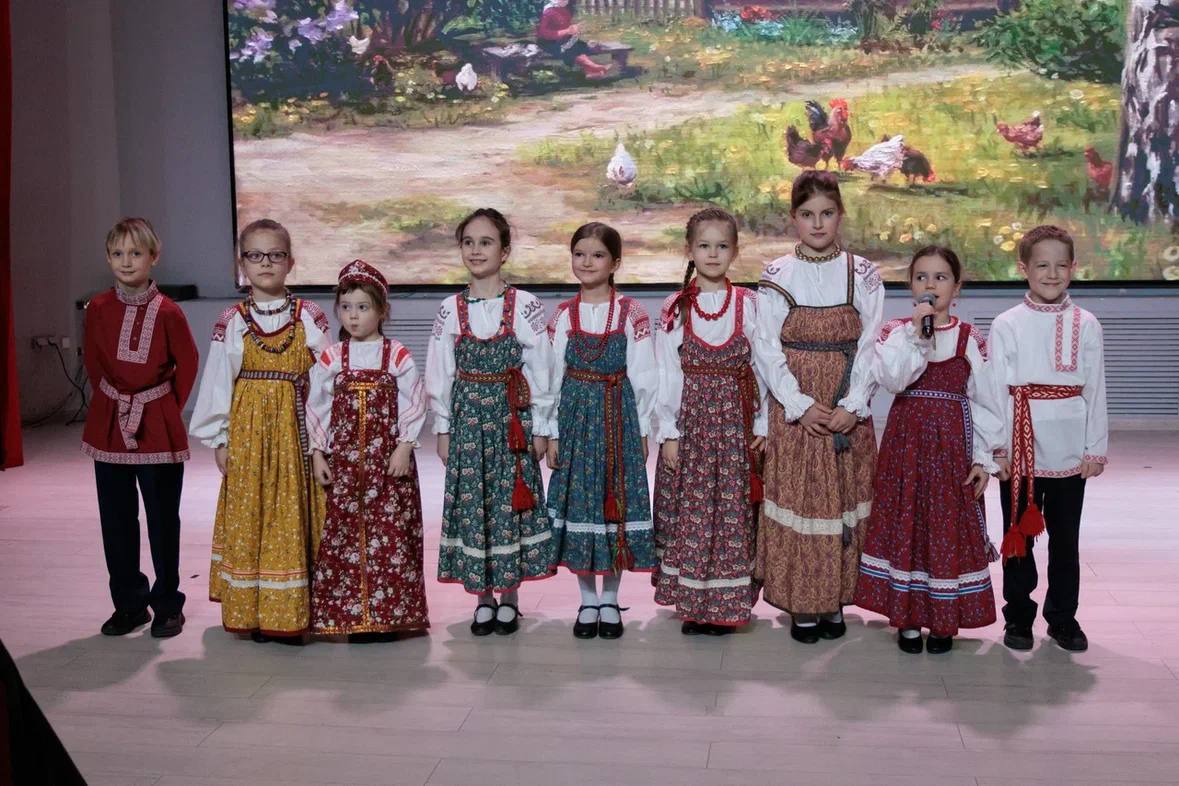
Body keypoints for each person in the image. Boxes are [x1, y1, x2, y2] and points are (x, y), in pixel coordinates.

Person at [753, 170, 884, 644]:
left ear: (840, 215)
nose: (818, 223)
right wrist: (799, 404)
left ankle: (835, 600)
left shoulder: (862, 273)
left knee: (842, 502)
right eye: (807, 215)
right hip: (798, 409)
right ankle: (802, 602)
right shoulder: (777, 276)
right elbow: (766, 349)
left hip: (845, 405)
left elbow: (871, 343)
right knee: (803, 501)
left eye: (827, 213)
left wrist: (854, 404)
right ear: (794, 218)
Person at [854, 246, 1002, 654]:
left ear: (957, 287)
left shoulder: (970, 339)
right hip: (906, 447)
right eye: (922, 277)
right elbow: (894, 380)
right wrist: (917, 337)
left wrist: (983, 459)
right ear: (911, 286)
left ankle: (942, 620)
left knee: (944, 528)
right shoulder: (897, 333)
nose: (931, 285)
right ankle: (907, 618)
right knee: (908, 524)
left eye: (940, 277)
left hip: (952, 448)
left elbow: (987, 402)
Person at [189, 218, 330, 643]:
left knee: (292, 513)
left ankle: (291, 612)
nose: (265, 263)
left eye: (275, 254)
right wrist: (220, 438)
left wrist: (321, 442)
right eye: (255, 255)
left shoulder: (310, 317)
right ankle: (253, 610)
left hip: (295, 433)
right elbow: (218, 382)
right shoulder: (232, 320)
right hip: (249, 436)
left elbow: (326, 382)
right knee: (251, 514)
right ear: (241, 263)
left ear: (291, 262)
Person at [426, 209, 555, 636]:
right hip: (468, 422)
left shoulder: (525, 305)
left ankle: (510, 597)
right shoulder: (449, 309)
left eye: (486, 242)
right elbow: (441, 371)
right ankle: (482, 598)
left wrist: (541, 426)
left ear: (505, 251)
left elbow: (542, 368)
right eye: (468, 242)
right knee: (474, 504)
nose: (476, 250)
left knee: (509, 503)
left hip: (510, 420)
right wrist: (443, 427)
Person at [988, 225, 1108, 653]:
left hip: (1069, 448)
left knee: (1065, 540)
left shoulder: (1087, 324)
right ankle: (1018, 617)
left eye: (1061, 265)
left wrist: (1095, 448)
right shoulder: (1006, 324)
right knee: (1018, 538)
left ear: (1073, 268)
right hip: (1019, 448)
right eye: (1042, 265)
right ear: (1024, 268)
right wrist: (996, 449)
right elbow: (993, 390)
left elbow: (1095, 387)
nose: (1052, 274)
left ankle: (1062, 618)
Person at [82, 217, 199, 638]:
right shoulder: (98, 308)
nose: (126, 261)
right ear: (107, 258)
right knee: (116, 520)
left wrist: (163, 409)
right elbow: (94, 363)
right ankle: (129, 604)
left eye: (135, 253)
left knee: (162, 519)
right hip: (110, 423)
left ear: (154, 257)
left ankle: (167, 603)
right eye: (118, 253)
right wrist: (116, 403)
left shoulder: (169, 311)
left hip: (157, 424)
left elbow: (187, 364)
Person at [653, 207, 767, 636]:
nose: (713, 254)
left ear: (735, 251)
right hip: (693, 423)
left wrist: (763, 423)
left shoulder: (749, 304)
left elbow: (764, 367)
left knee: (732, 513)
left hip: (735, 424)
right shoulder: (676, 307)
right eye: (704, 246)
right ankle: (694, 603)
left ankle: (726, 604)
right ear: (690, 250)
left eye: (722, 246)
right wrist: (669, 431)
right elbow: (666, 372)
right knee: (693, 512)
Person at [306, 260, 429, 639]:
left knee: (390, 537)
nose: (354, 316)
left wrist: (404, 446)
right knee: (346, 538)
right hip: (346, 467)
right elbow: (317, 407)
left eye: (363, 307)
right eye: (346, 307)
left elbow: (415, 401)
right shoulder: (333, 357)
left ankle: (389, 616)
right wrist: (318, 452)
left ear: (382, 311)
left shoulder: (396, 354)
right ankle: (352, 617)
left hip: (387, 466)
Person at [546, 222, 657, 640]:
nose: (587, 262)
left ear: (615, 263)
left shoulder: (632, 312)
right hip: (575, 420)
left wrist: (643, 429)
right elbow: (551, 376)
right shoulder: (563, 315)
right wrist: (551, 432)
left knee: (615, 503)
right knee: (580, 503)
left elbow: (644, 375)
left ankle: (610, 598)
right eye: (579, 254)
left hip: (617, 416)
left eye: (597, 255)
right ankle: (587, 599)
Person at [536, 0, 611, 79]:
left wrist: (575, 29)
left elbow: (566, 28)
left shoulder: (565, 11)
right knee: (571, 49)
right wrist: (567, 31)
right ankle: (594, 67)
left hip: (564, 40)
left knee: (585, 46)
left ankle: (591, 71)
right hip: (549, 42)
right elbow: (543, 33)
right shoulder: (548, 12)